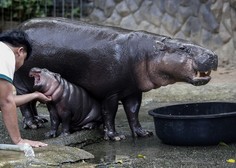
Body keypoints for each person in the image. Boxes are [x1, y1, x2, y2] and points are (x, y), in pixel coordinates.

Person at [0, 30, 51, 147]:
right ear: (20, 51)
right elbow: (6, 102)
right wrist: (19, 141)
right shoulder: (5, 54)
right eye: (24, 59)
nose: (22, 64)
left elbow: (3, 100)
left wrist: (35, 95)